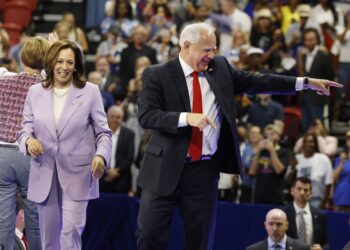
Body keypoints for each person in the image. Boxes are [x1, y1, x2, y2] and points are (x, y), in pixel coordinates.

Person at [136, 22, 341, 250]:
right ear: (186, 46)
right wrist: (186, 118)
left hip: (203, 173)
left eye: (214, 49)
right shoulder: (157, 74)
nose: (212, 55)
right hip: (163, 169)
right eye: (207, 49)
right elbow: (147, 116)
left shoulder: (220, 68)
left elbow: (258, 81)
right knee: (148, 237)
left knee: (200, 243)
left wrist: (304, 83)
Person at [18, 40, 112, 250]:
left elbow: (104, 132)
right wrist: (29, 140)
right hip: (45, 171)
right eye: (60, 61)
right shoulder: (35, 92)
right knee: (49, 239)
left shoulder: (90, 92)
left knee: (70, 232)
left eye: (70, 62)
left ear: (76, 65)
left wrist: (101, 156)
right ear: (51, 63)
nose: (64, 67)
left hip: (78, 173)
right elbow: (25, 130)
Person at [0, 36, 50, 250]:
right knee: (35, 220)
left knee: (3, 219)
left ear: (21, 58)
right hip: (31, 156)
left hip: (2, 154)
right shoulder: (47, 88)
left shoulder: (3, 78)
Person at [283, 177, 328, 249]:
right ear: (292, 191)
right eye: (299, 189)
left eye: (306, 190)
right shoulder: (283, 214)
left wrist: (322, 248)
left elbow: (326, 242)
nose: (302, 193)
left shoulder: (320, 215)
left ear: (311, 193)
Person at [100, 106, 135, 194]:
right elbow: (94, 154)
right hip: (101, 177)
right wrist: (107, 170)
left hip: (121, 178)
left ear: (122, 119)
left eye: (118, 117)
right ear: (107, 118)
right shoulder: (100, 133)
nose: (115, 119)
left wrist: (115, 171)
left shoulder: (129, 134)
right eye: (112, 117)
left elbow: (129, 158)